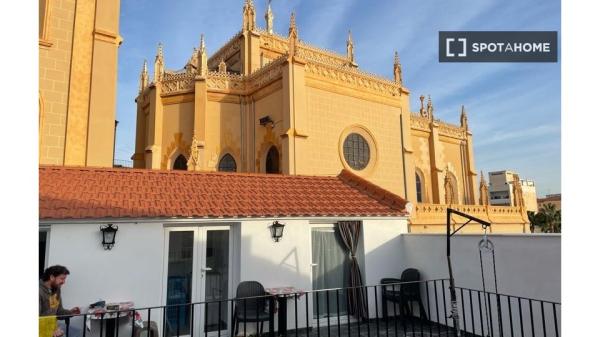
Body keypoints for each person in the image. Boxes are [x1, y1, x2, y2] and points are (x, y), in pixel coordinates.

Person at [40, 265, 81, 337]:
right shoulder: (39, 291)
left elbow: (59, 312)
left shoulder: (57, 289)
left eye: (64, 279)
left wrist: (70, 312)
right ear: (52, 277)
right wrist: (51, 333)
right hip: (41, 332)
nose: (64, 282)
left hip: (53, 330)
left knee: (76, 333)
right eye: (62, 279)